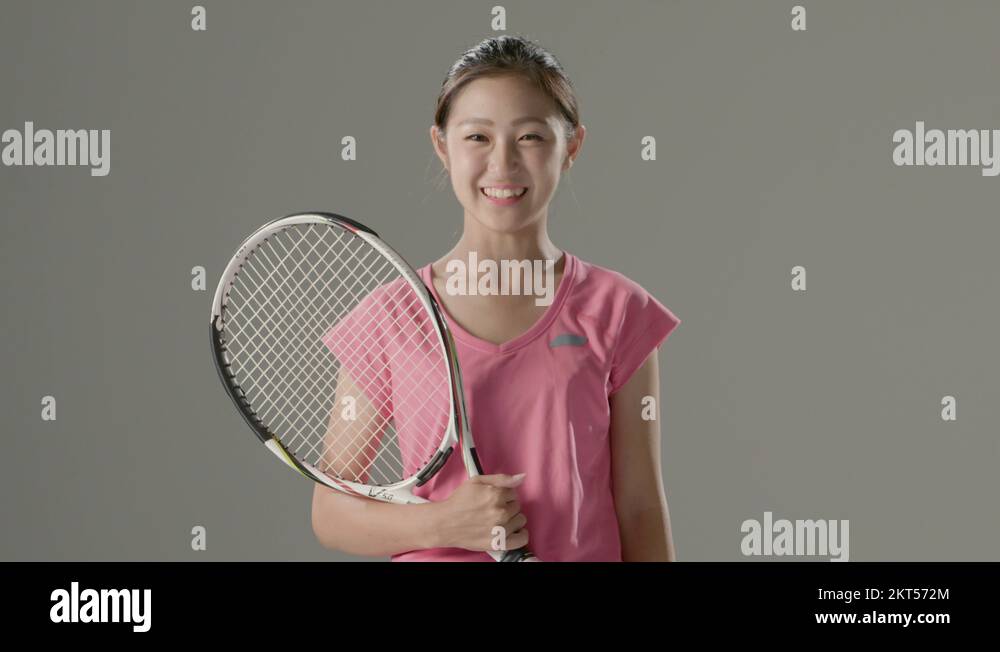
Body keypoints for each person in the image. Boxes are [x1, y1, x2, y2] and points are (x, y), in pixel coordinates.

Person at [312, 35, 681, 561]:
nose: (502, 164)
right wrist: (443, 523)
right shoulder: (391, 315)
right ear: (442, 146)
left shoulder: (618, 310)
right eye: (477, 137)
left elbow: (640, 506)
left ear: (571, 146)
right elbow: (331, 510)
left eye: (530, 137)